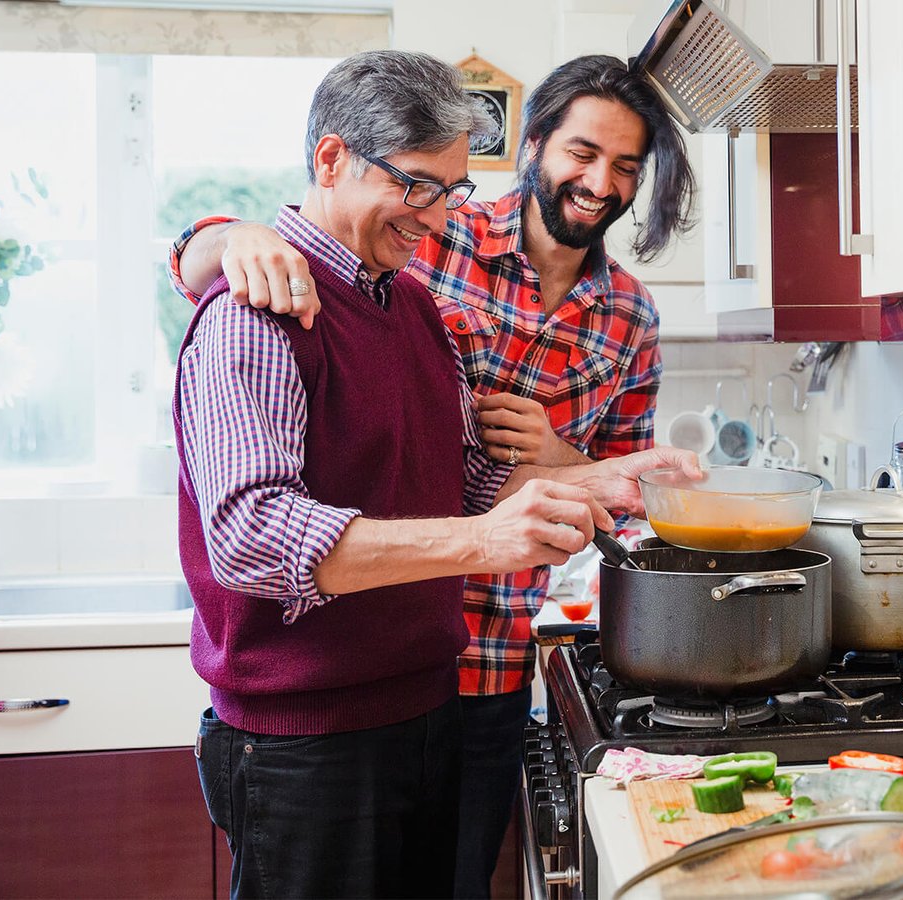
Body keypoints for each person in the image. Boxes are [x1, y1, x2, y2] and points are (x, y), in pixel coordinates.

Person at [167, 54, 696, 895]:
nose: (435, 214)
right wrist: (224, 237)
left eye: (449, 190)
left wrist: (597, 476)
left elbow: (466, 475)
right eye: (419, 186)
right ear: (333, 160)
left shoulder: (410, 300)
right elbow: (252, 539)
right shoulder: (264, 307)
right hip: (312, 730)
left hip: (437, 693)